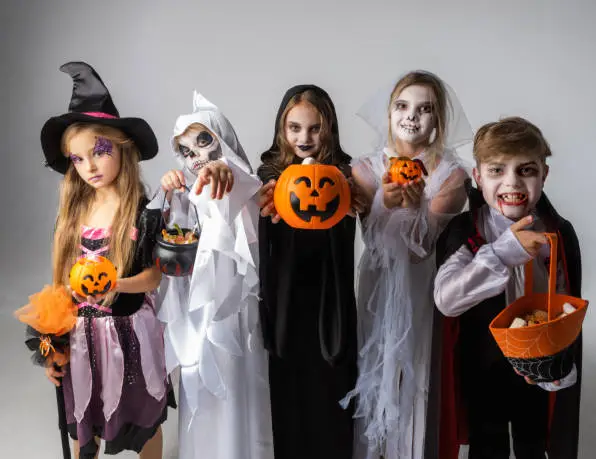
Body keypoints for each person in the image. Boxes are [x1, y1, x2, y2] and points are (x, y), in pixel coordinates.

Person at [40, 61, 173, 459]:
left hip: (131, 333)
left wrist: (117, 283)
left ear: (122, 148)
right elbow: (60, 287)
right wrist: (52, 344)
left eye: (98, 152)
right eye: (77, 159)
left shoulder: (143, 212)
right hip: (82, 335)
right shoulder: (72, 217)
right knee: (86, 422)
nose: (90, 167)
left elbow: (155, 276)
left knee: (144, 421)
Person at [433, 116, 583, 459]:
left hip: (536, 367)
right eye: (497, 170)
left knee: (534, 443)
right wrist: (503, 252)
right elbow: (446, 299)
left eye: (526, 170)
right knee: (488, 446)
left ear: (544, 175)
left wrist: (555, 361)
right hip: (483, 366)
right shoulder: (465, 229)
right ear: (478, 177)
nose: (511, 182)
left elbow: (565, 302)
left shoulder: (558, 232)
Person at [342, 70, 472, 459]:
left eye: (424, 109)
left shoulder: (452, 177)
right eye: (402, 106)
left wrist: (417, 206)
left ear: (438, 121)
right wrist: (385, 199)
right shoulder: (364, 169)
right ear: (389, 113)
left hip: (423, 285)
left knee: (415, 370)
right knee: (374, 359)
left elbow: (420, 249)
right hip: (377, 282)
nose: (411, 117)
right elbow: (373, 236)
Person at [154, 91, 274, 459]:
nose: (197, 157)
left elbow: (238, 186)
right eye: (187, 151)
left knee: (237, 386)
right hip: (197, 311)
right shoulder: (187, 195)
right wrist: (168, 196)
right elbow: (173, 246)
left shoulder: (243, 183)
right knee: (200, 388)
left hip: (236, 311)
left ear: (222, 139)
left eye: (204, 141)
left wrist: (226, 172)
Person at [257, 85, 363, 459]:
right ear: (281, 130)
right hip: (285, 297)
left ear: (329, 128)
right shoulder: (268, 177)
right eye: (295, 128)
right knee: (288, 389)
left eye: (315, 129)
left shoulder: (347, 177)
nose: (305, 138)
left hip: (329, 296)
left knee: (331, 386)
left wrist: (355, 201)